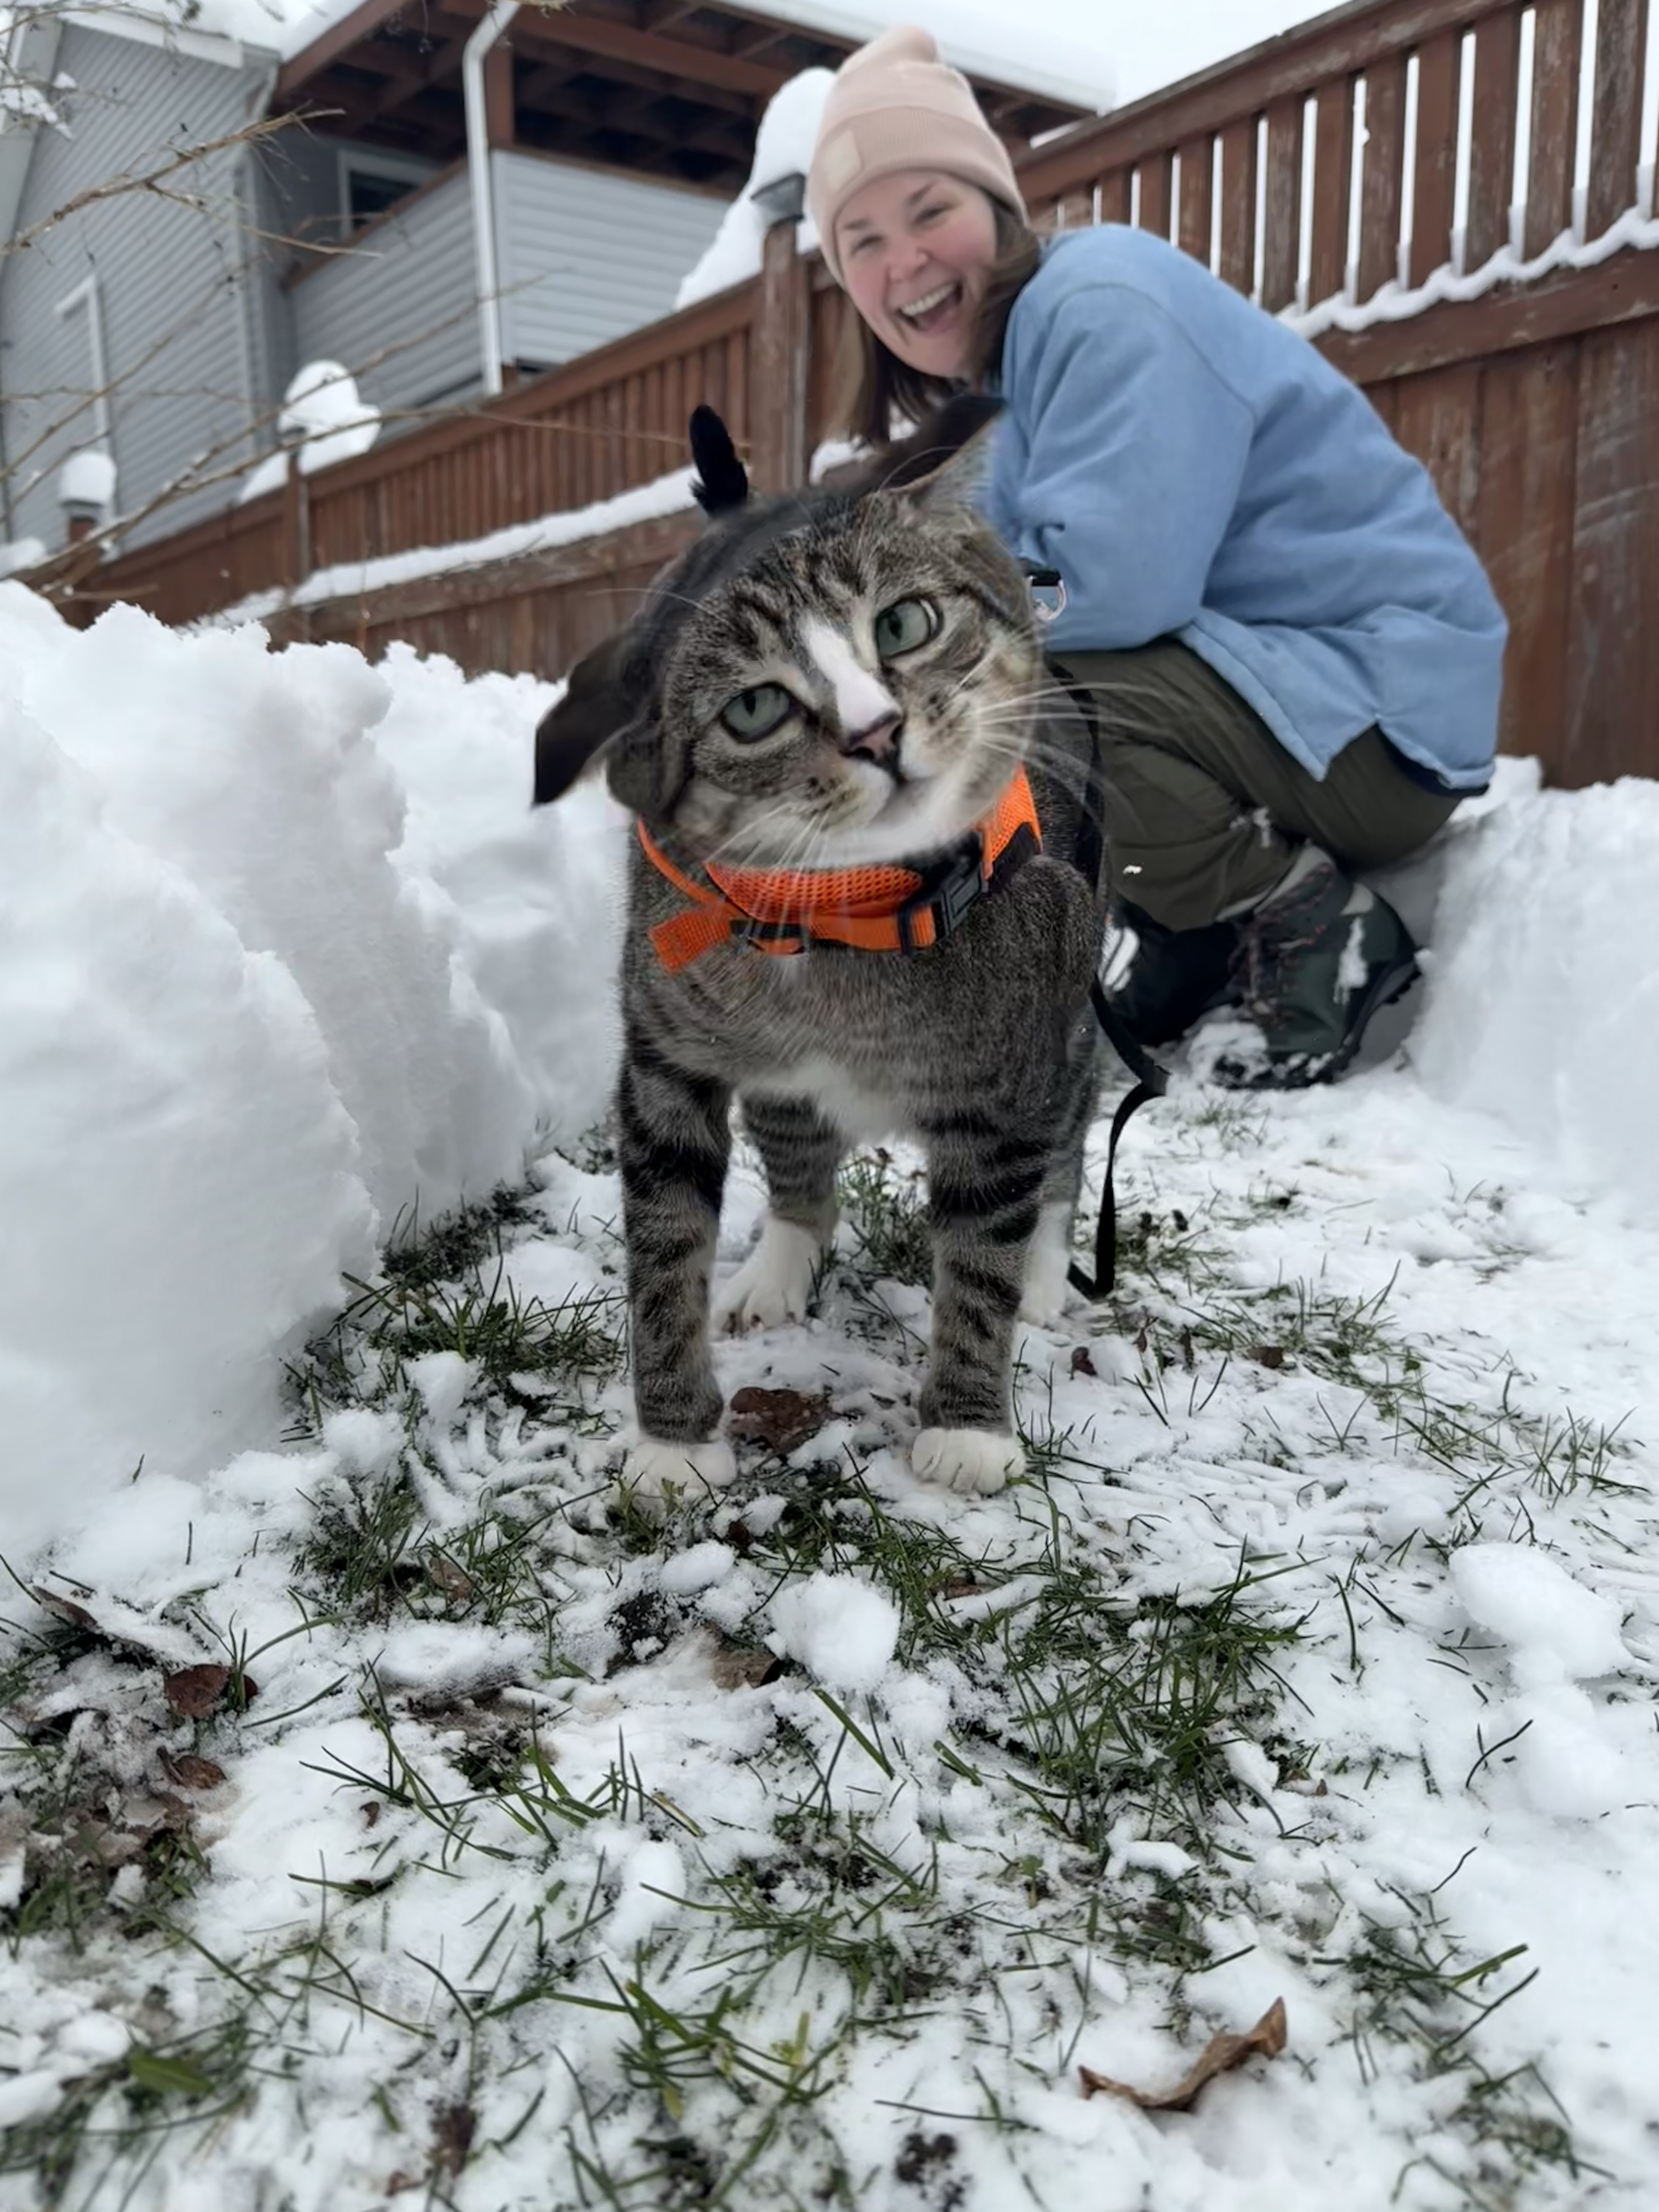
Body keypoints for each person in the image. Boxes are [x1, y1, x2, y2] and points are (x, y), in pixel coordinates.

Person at [805, 27, 1507, 1088]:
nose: (900, 260)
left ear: (996, 207)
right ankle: (1193, 934)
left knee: (1022, 691)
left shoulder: (1101, 304)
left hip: (1377, 719)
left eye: (928, 211)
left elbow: (1111, 588)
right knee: (987, 682)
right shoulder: (1019, 379)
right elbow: (1009, 574)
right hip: (1300, 702)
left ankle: (1315, 924)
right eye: (859, 242)